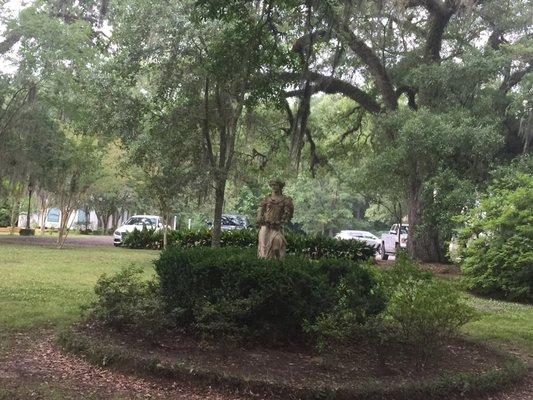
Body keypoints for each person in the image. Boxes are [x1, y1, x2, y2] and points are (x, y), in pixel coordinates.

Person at [256, 179, 294, 259]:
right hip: (266, 226)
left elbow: (287, 213)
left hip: (276, 227)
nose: (273, 187)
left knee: (276, 246)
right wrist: (259, 217)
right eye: (272, 185)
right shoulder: (267, 199)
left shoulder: (285, 200)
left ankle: (278, 263)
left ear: (280, 187)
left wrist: (284, 217)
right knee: (264, 249)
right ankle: (265, 263)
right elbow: (261, 210)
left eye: (276, 185)